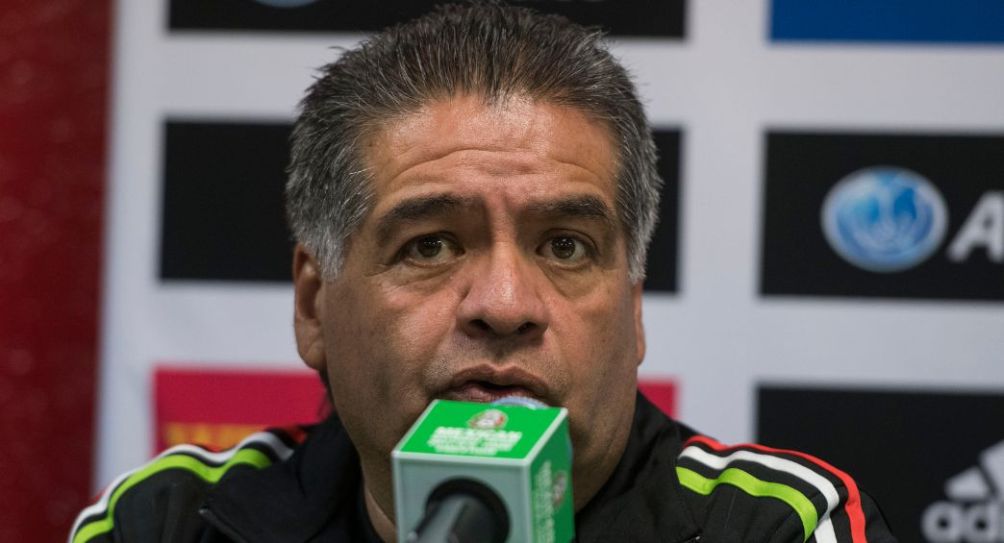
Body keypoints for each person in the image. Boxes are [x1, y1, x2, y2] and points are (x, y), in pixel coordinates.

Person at [70, 3, 896, 542]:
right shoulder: (167, 523)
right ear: (315, 307)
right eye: (430, 245)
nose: (505, 305)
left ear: (635, 311)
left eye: (566, 246)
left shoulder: (776, 527)